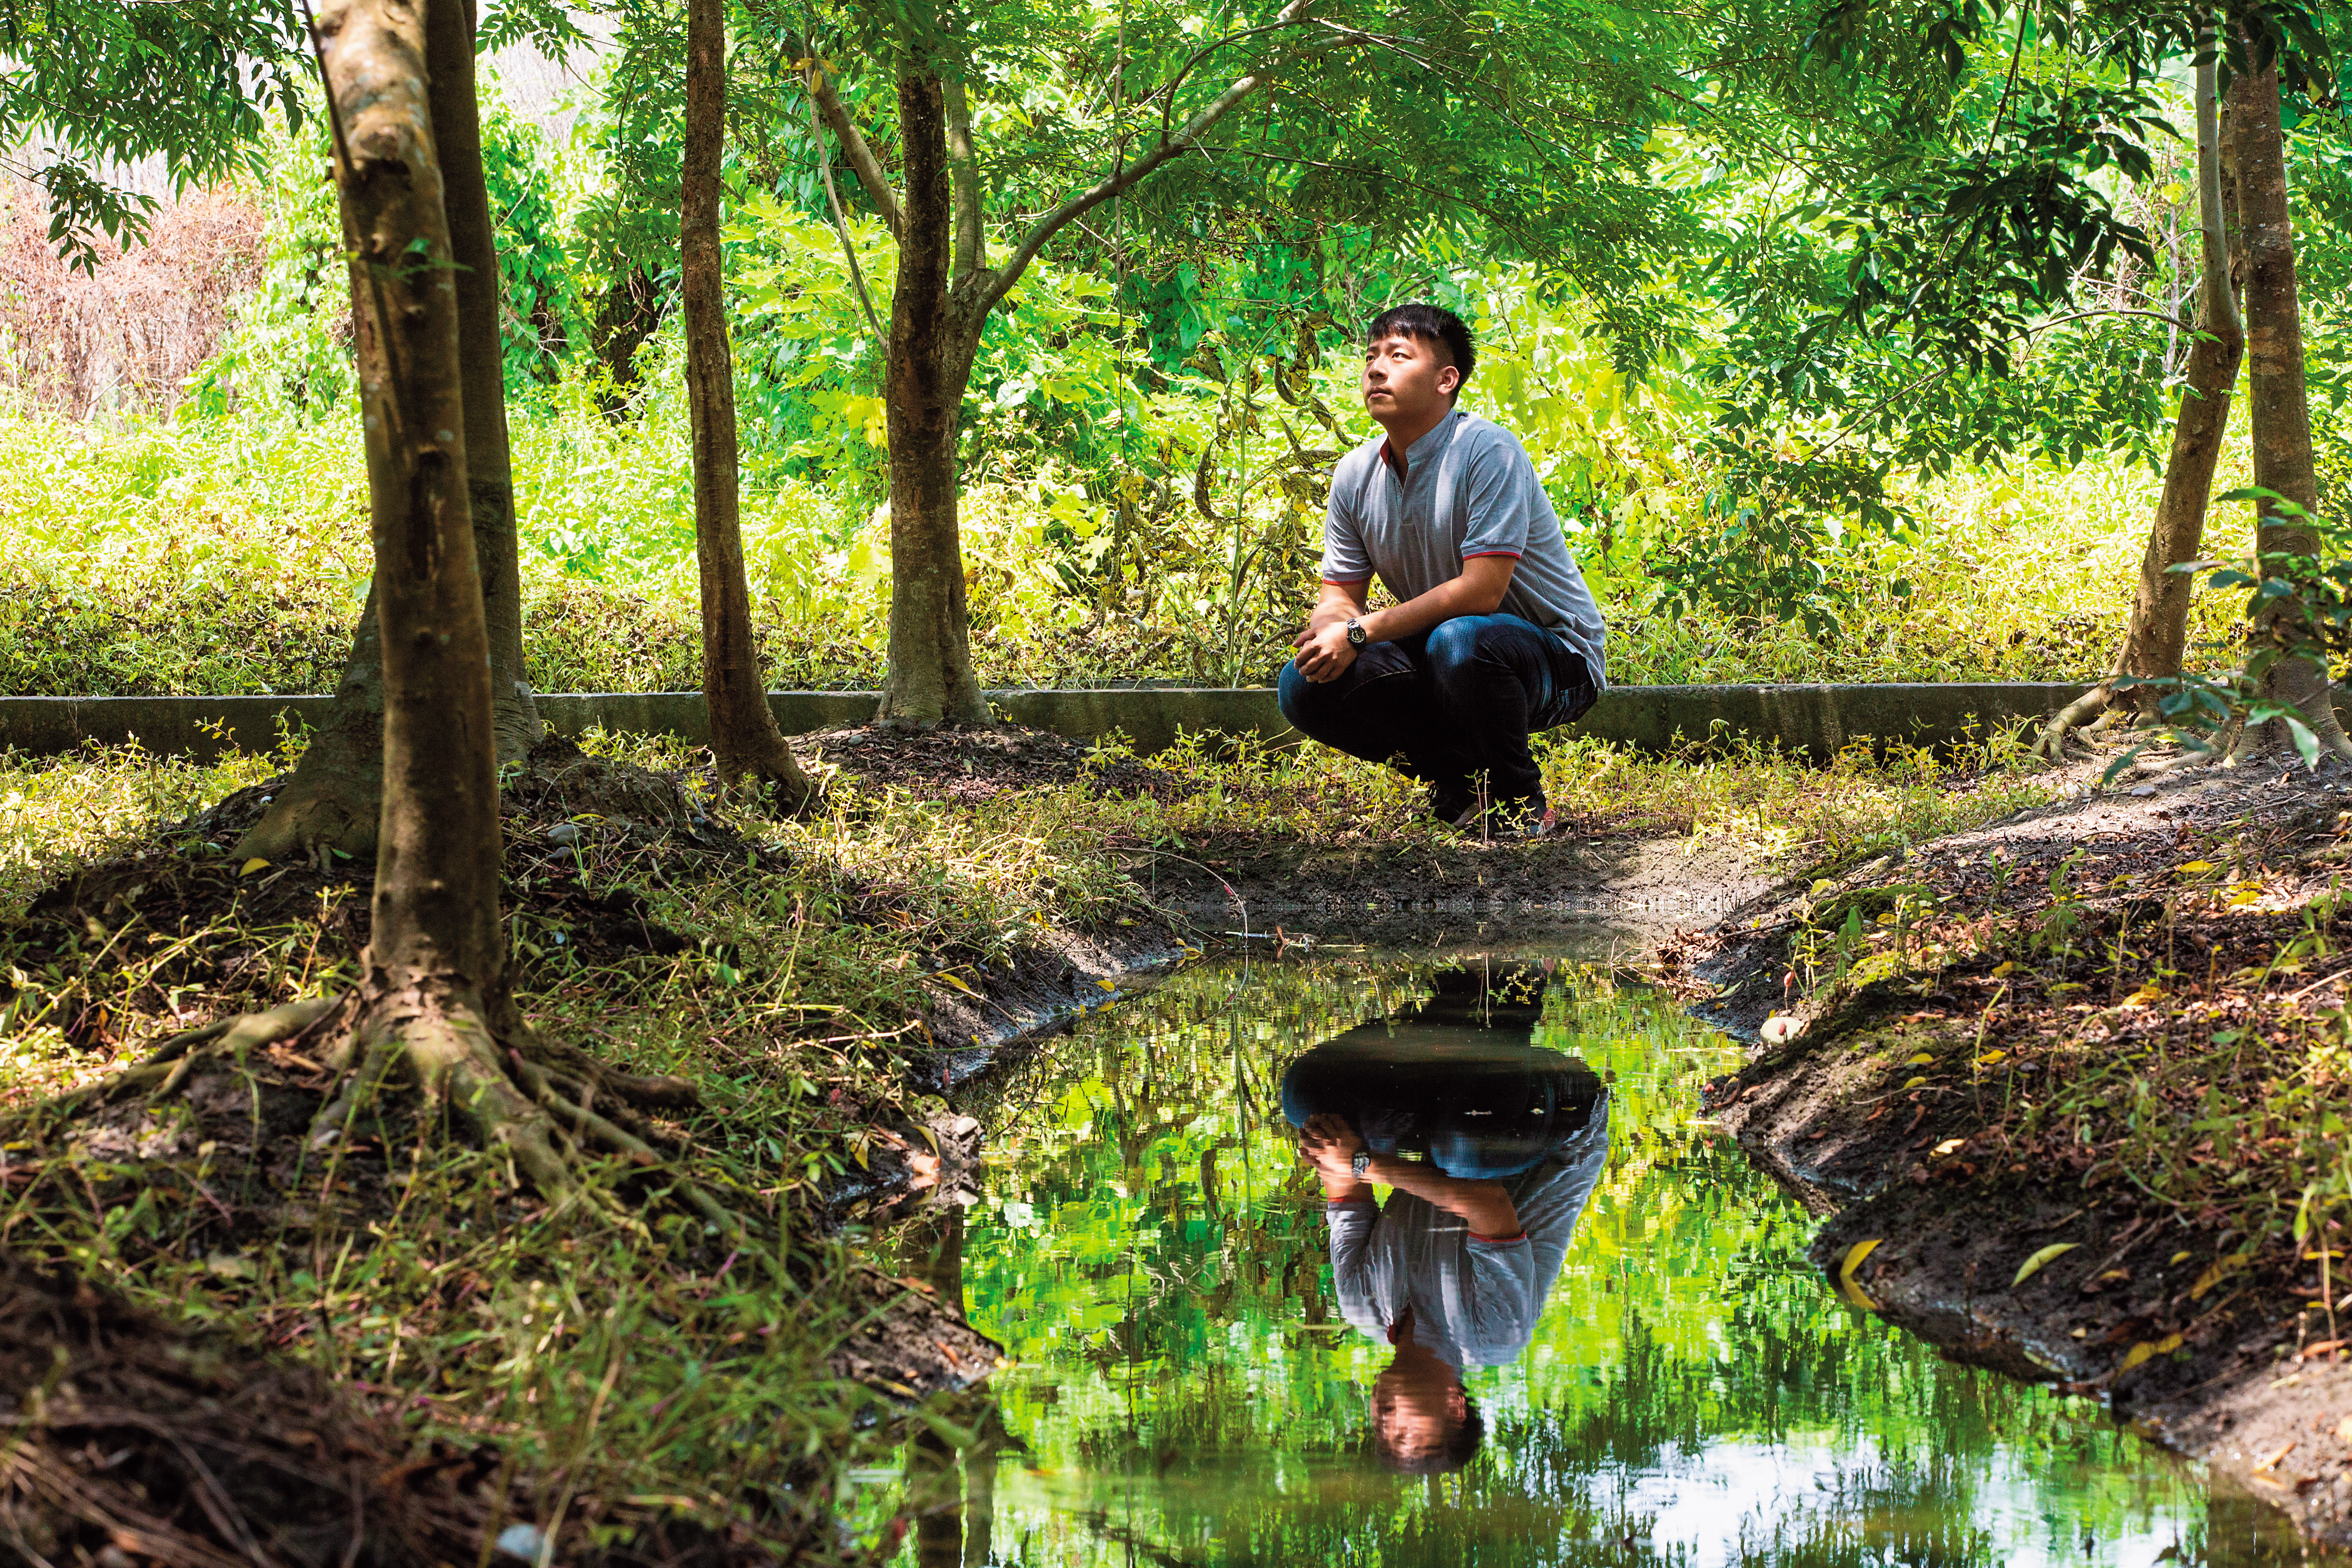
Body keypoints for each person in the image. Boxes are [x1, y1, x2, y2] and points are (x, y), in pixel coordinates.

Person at [1278, 302, 1608, 839]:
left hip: (1555, 661)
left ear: (1446, 379)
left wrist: (1361, 631)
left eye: (1399, 356)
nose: (1376, 369)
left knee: (1459, 641)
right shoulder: (1355, 473)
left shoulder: (1487, 451)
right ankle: (1459, 784)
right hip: (1448, 655)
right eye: (1371, 357)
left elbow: (1482, 591)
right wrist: (1331, 630)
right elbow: (1339, 592)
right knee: (1304, 684)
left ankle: (1520, 802)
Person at [1285, 971, 1610, 1474]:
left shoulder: (1362, 1307)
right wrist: (1362, 1163)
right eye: (1407, 1434)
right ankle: (1514, 991)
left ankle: (1450, 1010)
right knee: (1465, 1152)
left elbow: (1344, 1189)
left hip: (1449, 1127)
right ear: (1456, 1407)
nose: (1385, 1420)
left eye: (1380, 1430)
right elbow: (1487, 1205)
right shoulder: (1493, 1337)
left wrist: (1331, 1152)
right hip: (1558, 1116)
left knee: (1304, 1100)